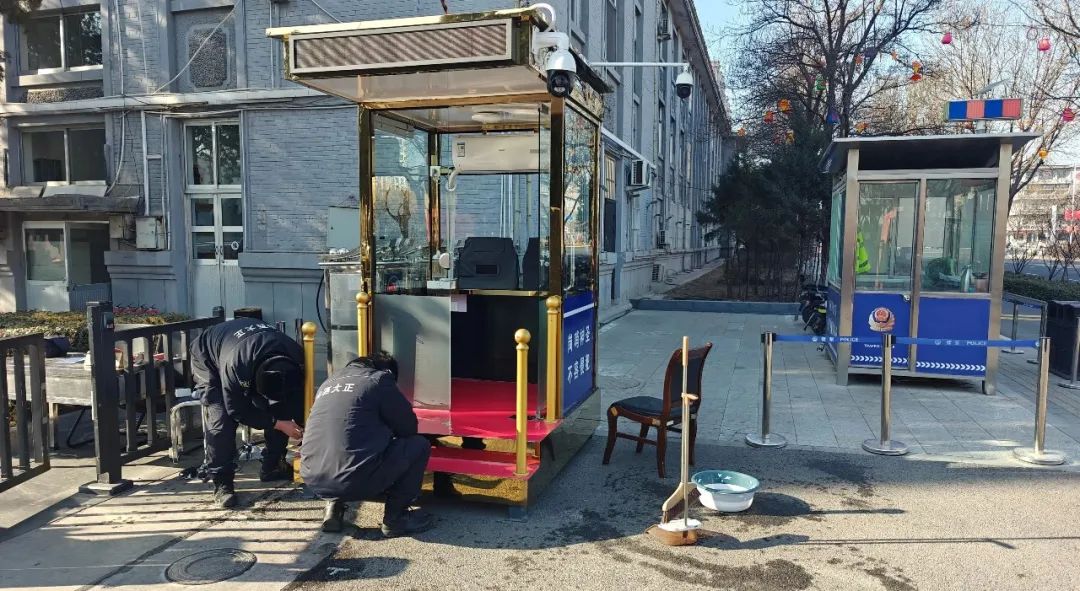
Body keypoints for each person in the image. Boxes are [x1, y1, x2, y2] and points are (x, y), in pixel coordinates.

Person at [301, 353, 434, 537]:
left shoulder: (327, 384)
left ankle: (333, 508)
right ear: (387, 371)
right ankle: (396, 519)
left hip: (313, 477)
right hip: (356, 480)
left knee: (341, 443)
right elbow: (408, 428)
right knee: (418, 445)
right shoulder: (379, 380)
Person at [191, 317, 305, 508]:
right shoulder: (236, 365)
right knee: (221, 420)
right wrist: (278, 423)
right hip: (210, 356)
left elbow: (298, 399)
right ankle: (222, 483)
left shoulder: (297, 356)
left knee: (280, 408)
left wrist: (304, 429)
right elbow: (236, 410)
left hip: (251, 352)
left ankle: (273, 465)